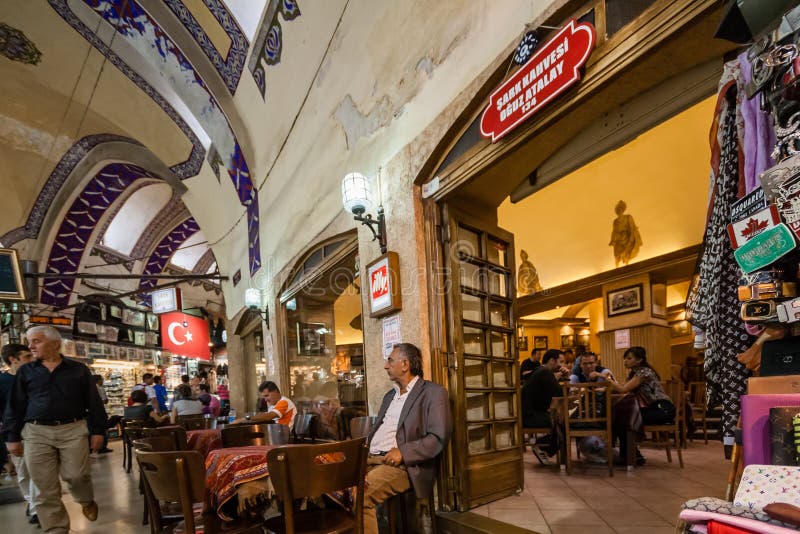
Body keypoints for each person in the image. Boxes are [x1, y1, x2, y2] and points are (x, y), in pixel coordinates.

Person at [4, 326, 106, 533]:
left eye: (36, 341)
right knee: (43, 486)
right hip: (35, 432)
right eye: (29, 341)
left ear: (55, 343)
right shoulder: (26, 371)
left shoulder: (78, 369)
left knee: (77, 476)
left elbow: (94, 402)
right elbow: (15, 405)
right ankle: (56, 529)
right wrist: (12, 436)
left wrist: (98, 431)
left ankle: (85, 499)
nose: (30, 346)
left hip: (73, 429)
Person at [364, 343, 451, 534]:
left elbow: (438, 437)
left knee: (359, 496)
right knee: (330, 487)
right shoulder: (390, 395)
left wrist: (403, 452)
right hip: (370, 458)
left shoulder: (433, 393)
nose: (386, 366)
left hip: (403, 465)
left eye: (390, 361)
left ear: (405, 365)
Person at [607, 346, 675, 465]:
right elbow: (621, 388)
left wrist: (608, 381)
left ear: (639, 360)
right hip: (653, 408)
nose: (625, 361)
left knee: (625, 417)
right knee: (621, 416)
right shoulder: (634, 373)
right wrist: (606, 387)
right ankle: (631, 455)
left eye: (629, 358)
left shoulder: (644, 372)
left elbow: (623, 389)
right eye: (625, 358)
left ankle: (631, 456)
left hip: (662, 409)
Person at [0, 343, 39, 525]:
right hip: (16, 433)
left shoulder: (36, 376)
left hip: (38, 431)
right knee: (23, 473)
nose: (32, 360)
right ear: (13, 360)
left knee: (40, 471)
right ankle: (32, 502)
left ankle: (36, 508)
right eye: (27, 357)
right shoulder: (2, 382)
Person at [522, 349, 568, 428]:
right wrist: (567, 377)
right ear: (552, 360)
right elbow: (561, 394)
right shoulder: (545, 372)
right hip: (531, 417)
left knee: (561, 416)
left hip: (530, 414)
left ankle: (550, 440)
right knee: (564, 419)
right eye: (561, 362)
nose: (563, 366)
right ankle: (550, 440)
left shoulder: (540, 369)